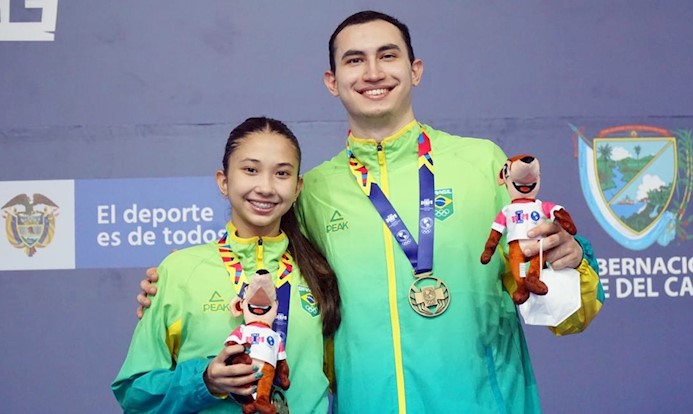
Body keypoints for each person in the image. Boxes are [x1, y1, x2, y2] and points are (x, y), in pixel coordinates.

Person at [137, 11, 604, 413]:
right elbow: (263, 272)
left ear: (415, 69)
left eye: (388, 55)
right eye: (354, 60)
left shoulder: (482, 163)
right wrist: (168, 291)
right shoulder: (314, 191)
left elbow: (563, 310)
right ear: (332, 80)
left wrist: (572, 262)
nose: (373, 72)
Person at [113, 117, 341, 414]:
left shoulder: (318, 274)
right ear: (224, 181)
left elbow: (343, 380)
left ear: (297, 188)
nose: (266, 187)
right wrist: (205, 381)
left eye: (281, 173)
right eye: (250, 170)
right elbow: (134, 393)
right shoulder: (180, 271)